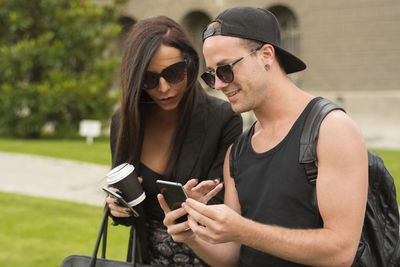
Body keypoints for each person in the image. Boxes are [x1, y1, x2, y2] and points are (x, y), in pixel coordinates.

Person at [159, 6, 368, 267]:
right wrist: (193, 234)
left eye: (225, 69)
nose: (219, 85)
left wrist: (243, 229)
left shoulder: (331, 130)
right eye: (211, 75)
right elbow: (233, 256)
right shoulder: (237, 152)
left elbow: (340, 252)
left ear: (266, 55)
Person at [105, 16, 242, 266]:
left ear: (190, 65)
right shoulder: (124, 122)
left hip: (206, 258)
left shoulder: (223, 119)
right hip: (144, 259)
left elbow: (224, 209)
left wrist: (194, 205)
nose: (164, 88)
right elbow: (129, 205)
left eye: (174, 73)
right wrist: (117, 206)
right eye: (149, 79)